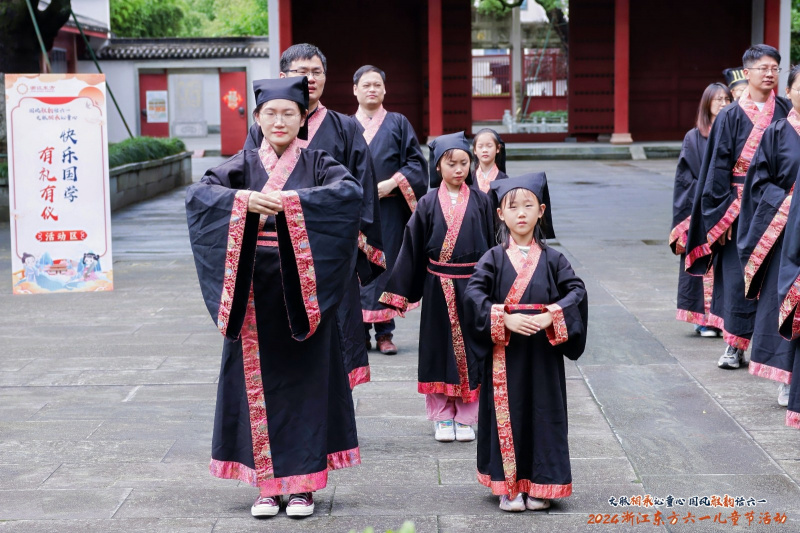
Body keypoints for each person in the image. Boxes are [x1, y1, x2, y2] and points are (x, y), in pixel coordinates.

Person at [186, 77, 363, 519]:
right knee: (256, 388)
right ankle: (265, 486)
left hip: (305, 297)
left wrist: (293, 205)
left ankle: (303, 485)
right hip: (253, 296)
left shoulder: (320, 163)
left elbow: (348, 195)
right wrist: (242, 202)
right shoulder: (242, 164)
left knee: (307, 387)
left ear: (304, 118)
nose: (280, 121)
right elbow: (200, 195)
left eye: (289, 113)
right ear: (258, 118)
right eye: (271, 113)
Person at [245, 43, 383, 388]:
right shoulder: (261, 129)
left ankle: (335, 414)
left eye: (316, 72)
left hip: (329, 255)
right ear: (283, 77)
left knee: (336, 337)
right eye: (301, 72)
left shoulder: (345, 128)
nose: (310, 78)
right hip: (273, 258)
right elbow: (246, 184)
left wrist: (348, 244)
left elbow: (362, 190)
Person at [464, 173, 588, 512]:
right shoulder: (492, 258)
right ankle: (509, 486)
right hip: (505, 353)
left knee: (544, 415)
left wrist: (552, 315)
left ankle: (541, 484)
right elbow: (474, 295)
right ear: (500, 214)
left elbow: (576, 292)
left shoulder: (554, 259)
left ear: (541, 211)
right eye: (513, 207)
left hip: (543, 353)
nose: (521, 213)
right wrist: (504, 318)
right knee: (509, 414)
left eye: (528, 206)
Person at [379, 132, 495, 442]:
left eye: (464, 163)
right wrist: (400, 293)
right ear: (438, 166)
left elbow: (493, 248)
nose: (458, 169)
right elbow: (412, 248)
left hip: (473, 287)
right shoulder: (428, 203)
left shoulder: (482, 201)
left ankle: (467, 416)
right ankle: (442, 415)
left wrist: (495, 287)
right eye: (451, 163)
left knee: (473, 348)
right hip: (437, 287)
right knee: (436, 349)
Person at [685, 44, 791, 370]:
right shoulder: (730, 115)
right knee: (736, 278)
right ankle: (734, 345)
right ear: (747, 72)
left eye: (774, 68)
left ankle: (776, 349)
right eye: (763, 68)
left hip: (777, 205)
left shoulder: (786, 109)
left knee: (775, 278)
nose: (769, 74)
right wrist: (721, 215)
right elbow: (716, 168)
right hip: (738, 208)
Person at [353, 65, 428, 355]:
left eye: (377, 85)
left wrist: (393, 183)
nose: (372, 89)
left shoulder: (398, 123)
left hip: (390, 211)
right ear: (355, 90)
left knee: (387, 267)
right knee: (358, 268)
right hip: (357, 212)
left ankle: (385, 332)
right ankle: (359, 332)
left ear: (385, 89)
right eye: (366, 85)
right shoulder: (345, 126)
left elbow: (416, 163)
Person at [737, 65, 800, 406]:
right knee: (786, 301)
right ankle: (787, 378)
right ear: (788, 93)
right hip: (786, 234)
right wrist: (791, 202)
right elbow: (759, 183)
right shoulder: (777, 133)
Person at [669, 83, 731, 336]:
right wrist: (706, 199)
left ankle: (723, 319)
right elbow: (685, 178)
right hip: (701, 209)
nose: (723, 103)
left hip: (727, 208)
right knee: (701, 261)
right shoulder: (693, 137)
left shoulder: (735, 132)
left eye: (727, 99)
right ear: (707, 103)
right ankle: (703, 320)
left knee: (726, 267)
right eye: (718, 99)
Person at [472, 128, 508, 194]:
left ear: (498, 148)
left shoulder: (504, 179)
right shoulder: (469, 178)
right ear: (475, 150)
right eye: (480, 146)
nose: (484, 150)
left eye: (489, 146)